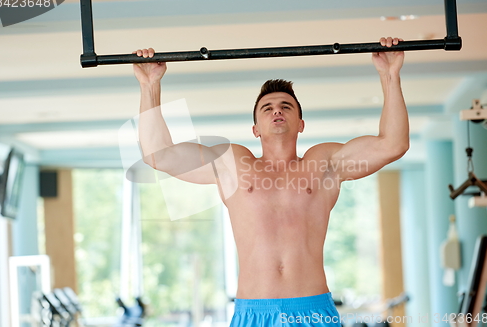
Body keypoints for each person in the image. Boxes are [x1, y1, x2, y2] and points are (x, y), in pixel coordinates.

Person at [132, 36, 409, 326]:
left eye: (286, 106)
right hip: (253, 312)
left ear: (301, 124)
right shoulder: (233, 165)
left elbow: (393, 144)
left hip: (312, 310)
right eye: (268, 108)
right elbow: (158, 155)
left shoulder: (323, 164)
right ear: (255, 129)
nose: (277, 110)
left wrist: (390, 74)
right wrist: (149, 85)